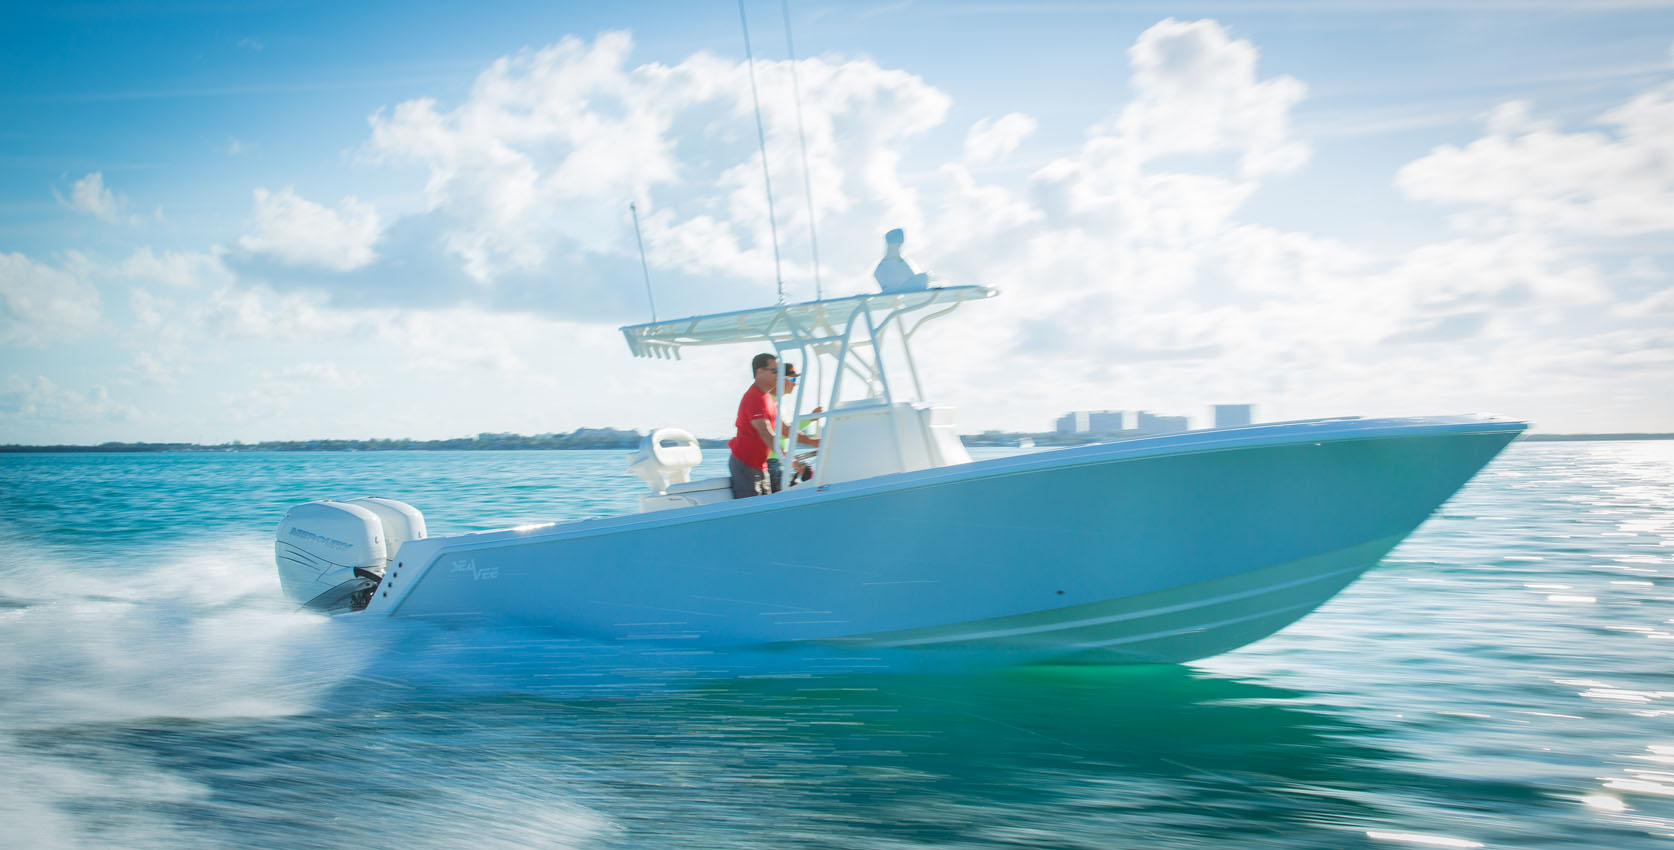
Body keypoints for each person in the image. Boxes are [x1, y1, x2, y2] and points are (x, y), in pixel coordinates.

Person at [729, 352, 785, 499]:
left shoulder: (768, 398)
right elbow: (765, 432)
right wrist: (787, 458)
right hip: (746, 464)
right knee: (752, 506)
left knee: (766, 504)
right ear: (760, 372)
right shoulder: (754, 398)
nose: (779, 375)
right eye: (775, 371)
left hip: (760, 464)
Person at [767, 370, 821, 492]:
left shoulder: (777, 403)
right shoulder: (770, 401)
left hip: (779, 460)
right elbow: (785, 430)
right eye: (792, 379)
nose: (795, 384)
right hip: (772, 461)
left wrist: (809, 419)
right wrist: (812, 442)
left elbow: (786, 429)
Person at [873, 228, 930, 293]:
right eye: (896, 244)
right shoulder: (883, 267)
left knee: (925, 276)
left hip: (906, 291)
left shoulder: (901, 261)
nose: (898, 246)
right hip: (899, 292)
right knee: (924, 277)